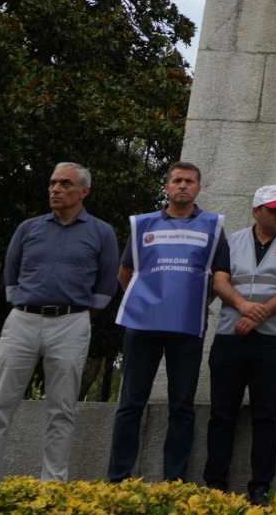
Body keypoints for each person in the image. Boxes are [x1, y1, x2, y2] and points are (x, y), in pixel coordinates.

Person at [0, 163, 119, 482]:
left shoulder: (101, 232)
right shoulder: (28, 228)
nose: (55, 189)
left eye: (65, 184)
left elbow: (106, 283)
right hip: (22, 321)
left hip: (71, 324)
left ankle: (52, 484)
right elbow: (11, 274)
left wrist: (78, 315)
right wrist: (23, 305)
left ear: (84, 192)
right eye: (52, 183)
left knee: (62, 410)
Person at [106, 162, 225, 483]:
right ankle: (117, 478)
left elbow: (218, 279)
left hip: (187, 327)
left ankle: (174, 481)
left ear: (199, 188)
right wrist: (143, 303)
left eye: (189, 181)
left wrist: (194, 303)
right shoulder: (143, 225)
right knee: (131, 404)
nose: (182, 186)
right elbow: (125, 272)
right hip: (142, 326)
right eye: (177, 180)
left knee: (182, 407)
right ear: (167, 187)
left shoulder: (213, 226)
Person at [203, 185, 276, 504]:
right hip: (229, 338)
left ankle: (260, 486)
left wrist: (257, 314)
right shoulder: (232, 241)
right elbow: (219, 281)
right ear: (256, 212)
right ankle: (214, 485)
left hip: (272, 341)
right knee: (222, 414)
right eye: (273, 208)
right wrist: (244, 305)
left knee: (266, 414)